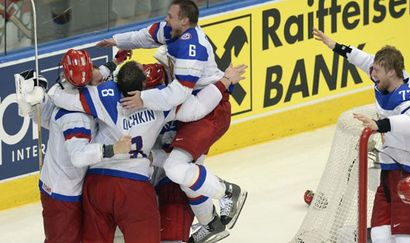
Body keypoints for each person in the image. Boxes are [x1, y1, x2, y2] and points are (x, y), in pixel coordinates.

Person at [97, 1, 248, 241]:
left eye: (170, 16)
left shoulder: (193, 50)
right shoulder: (172, 31)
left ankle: (228, 192)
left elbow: (182, 99)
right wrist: (116, 40)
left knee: (176, 168)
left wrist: (144, 99)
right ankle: (211, 224)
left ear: (184, 21)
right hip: (195, 105)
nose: (166, 19)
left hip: (208, 108)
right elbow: (144, 36)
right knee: (188, 173)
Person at [48, 59, 246, 242]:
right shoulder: (160, 101)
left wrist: (53, 87)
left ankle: (211, 218)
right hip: (136, 187)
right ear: (144, 86)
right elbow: (197, 107)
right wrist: (224, 82)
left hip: (98, 183)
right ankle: (216, 207)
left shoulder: (104, 94)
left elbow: (66, 98)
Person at [313, 28, 410, 243]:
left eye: (377, 70)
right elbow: (362, 58)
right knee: (379, 235)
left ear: (391, 72)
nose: (372, 73)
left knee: (405, 238)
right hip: (392, 165)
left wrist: (380, 125)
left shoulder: (409, 96)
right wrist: (333, 45)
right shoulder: (384, 78)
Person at [14, 49, 132, 243]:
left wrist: (114, 62)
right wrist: (113, 150)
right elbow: (78, 157)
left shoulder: (62, 87)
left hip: (61, 184)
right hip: (62, 192)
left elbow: (96, 75)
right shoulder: (77, 118)